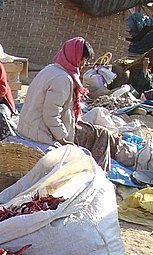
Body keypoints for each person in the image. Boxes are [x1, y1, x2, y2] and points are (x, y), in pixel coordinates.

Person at [16, 37, 114, 171]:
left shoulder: (50, 69)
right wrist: (63, 139)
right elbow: (50, 115)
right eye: (83, 59)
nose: (83, 64)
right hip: (40, 132)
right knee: (102, 135)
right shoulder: (62, 79)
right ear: (74, 56)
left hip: (31, 126)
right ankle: (99, 174)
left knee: (97, 132)